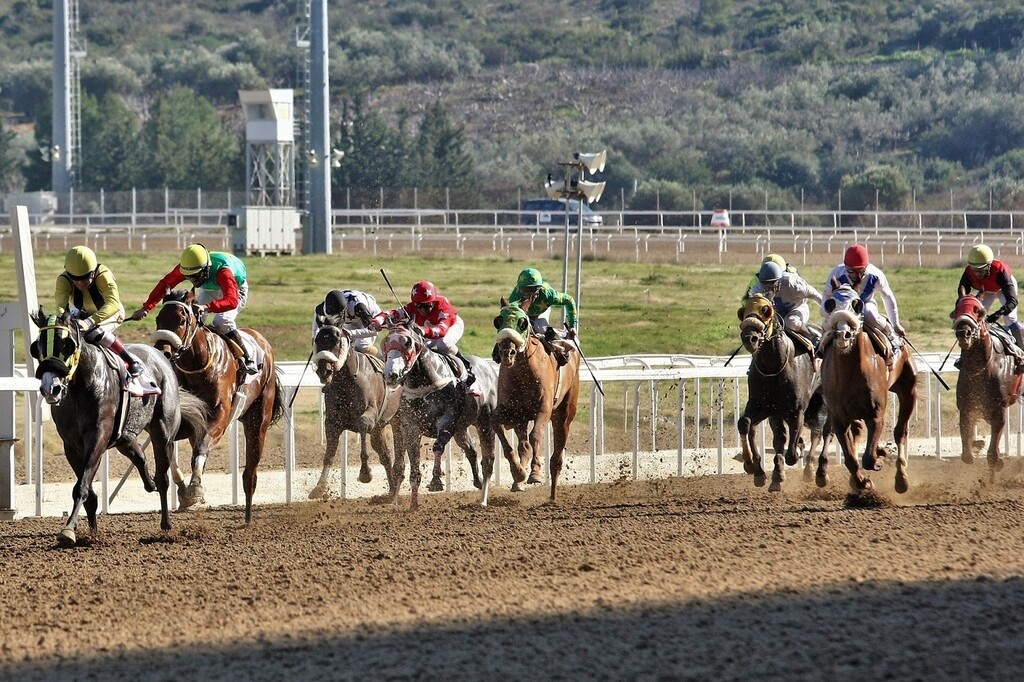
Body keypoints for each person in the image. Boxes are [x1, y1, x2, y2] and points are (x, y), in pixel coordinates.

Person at [130, 243, 259, 375]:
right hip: (210, 288)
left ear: (206, 269)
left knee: (222, 321)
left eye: (196, 276)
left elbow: (231, 301)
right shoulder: (189, 268)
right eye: (189, 277)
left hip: (235, 290)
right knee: (192, 317)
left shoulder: (223, 272)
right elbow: (165, 283)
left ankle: (246, 358)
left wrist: (207, 307)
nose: (193, 281)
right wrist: (146, 307)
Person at [56, 245, 158, 393]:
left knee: (92, 333)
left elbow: (113, 304)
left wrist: (89, 322)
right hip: (83, 312)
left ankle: (132, 361)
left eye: (84, 278)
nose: (80, 284)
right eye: (75, 280)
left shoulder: (103, 274)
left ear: (92, 272)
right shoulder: (64, 280)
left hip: (111, 312)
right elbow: (61, 307)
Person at [370, 280, 476, 390]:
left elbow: (442, 330)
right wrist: (377, 321)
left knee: (443, 344)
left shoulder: (443, 306)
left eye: (427, 306)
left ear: (433, 302)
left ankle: (467, 371)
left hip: (451, 326)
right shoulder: (412, 308)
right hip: (427, 329)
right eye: (419, 306)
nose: (422, 310)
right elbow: (392, 313)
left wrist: (424, 331)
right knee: (419, 347)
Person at [821, 243, 906, 363]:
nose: (856, 275)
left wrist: (896, 324)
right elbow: (827, 295)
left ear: (866, 266)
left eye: (860, 271)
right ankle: (820, 350)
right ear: (846, 267)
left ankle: (890, 335)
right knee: (828, 324)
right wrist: (828, 313)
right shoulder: (837, 272)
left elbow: (888, 297)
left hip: (865, 303)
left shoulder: (876, 275)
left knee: (869, 313)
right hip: (842, 307)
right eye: (851, 271)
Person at [958, 244, 1024, 362]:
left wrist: (999, 313)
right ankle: (965, 356)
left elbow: (1013, 301)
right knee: (975, 318)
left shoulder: (1000, 270)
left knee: (1009, 318)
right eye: (974, 270)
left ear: (989, 265)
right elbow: (963, 291)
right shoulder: (968, 271)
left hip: (1003, 289)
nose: (977, 274)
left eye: (981, 270)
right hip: (986, 291)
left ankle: (1022, 351)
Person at [746, 260, 823, 345]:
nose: (767, 287)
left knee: (791, 322)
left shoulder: (793, 284)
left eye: (771, 283)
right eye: (764, 283)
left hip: (797, 308)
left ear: (779, 280)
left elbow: (815, 295)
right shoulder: (757, 289)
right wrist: (768, 299)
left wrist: (827, 312)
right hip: (777, 313)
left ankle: (814, 337)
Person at [507, 267, 578, 341]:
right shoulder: (515, 296)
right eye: (525, 290)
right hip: (522, 312)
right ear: (520, 289)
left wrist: (572, 325)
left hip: (541, 310)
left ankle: (560, 339)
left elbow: (569, 300)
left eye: (533, 290)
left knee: (540, 328)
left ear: (540, 288)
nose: (529, 295)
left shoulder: (548, 295)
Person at [312, 289, 383, 359]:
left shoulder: (359, 307)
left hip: (370, 317)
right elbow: (316, 319)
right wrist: (315, 338)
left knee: (360, 346)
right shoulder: (324, 306)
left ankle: (381, 359)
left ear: (343, 311)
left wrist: (350, 333)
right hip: (351, 318)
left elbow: (373, 331)